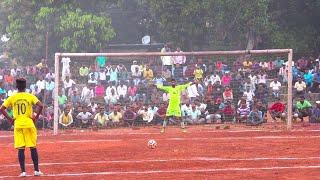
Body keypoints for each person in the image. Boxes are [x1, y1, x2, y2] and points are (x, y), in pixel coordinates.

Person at [0, 78, 44, 177]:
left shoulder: (13, 97)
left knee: (21, 148)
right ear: (25, 86)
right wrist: (36, 117)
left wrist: (11, 119)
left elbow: (2, 109)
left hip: (18, 124)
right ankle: (36, 170)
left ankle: (23, 171)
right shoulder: (30, 96)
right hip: (29, 123)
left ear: (16, 86)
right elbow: (40, 105)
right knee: (32, 147)